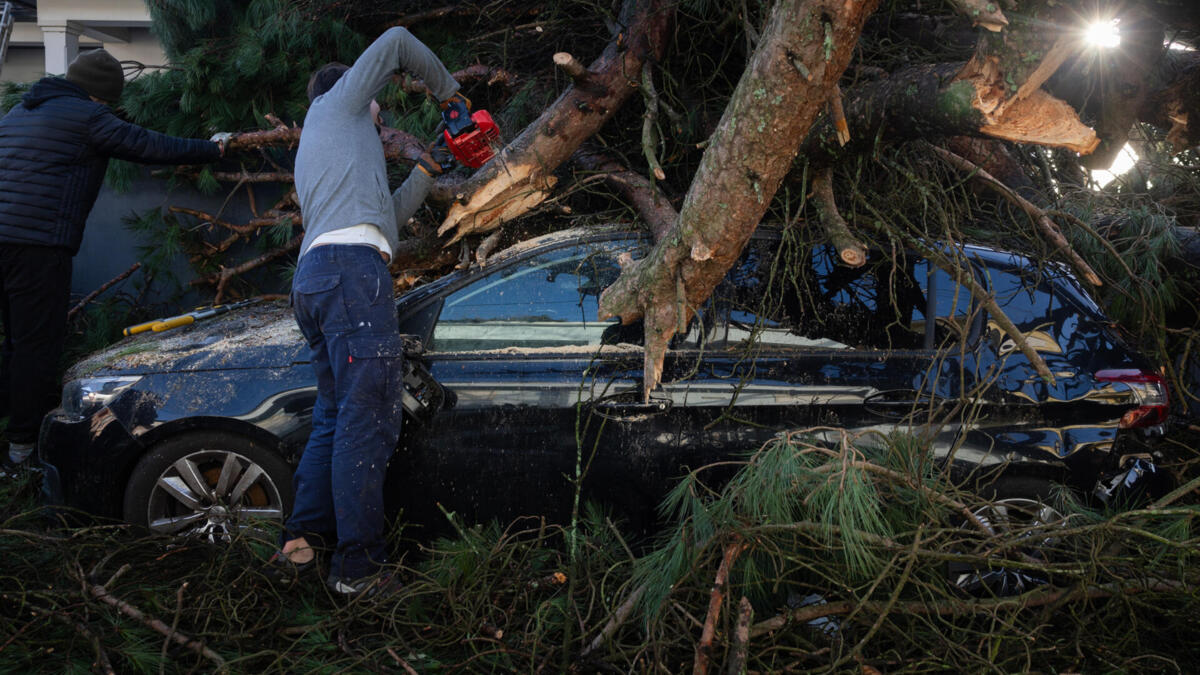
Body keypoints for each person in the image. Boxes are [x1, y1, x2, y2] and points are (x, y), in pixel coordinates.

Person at [271, 26, 463, 596]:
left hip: (320, 279)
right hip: (352, 277)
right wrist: (451, 97)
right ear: (352, 92)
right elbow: (400, 40)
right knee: (368, 417)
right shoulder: (339, 103)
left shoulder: (329, 153)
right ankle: (359, 570)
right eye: (378, 108)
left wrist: (427, 168)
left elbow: (387, 219)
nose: (381, 120)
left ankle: (300, 546)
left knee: (334, 415)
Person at [0, 49, 224, 475]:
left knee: (13, 343)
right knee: (35, 347)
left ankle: (13, 440)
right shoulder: (89, 116)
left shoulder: (17, 112)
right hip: (37, 247)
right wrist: (213, 149)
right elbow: (149, 145)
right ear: (101, 96)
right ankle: (22, 453)